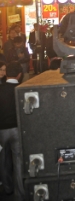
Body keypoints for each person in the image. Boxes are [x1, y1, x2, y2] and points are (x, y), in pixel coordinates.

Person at [0, 62, 25, 200]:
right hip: (17, 129)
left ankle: (7, 188)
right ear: (19, 74)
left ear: (6, 73)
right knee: (19, 161)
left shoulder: (0, 88)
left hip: (1, 130)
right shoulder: (21, 89)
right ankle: (20, 193)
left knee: (3, 161)